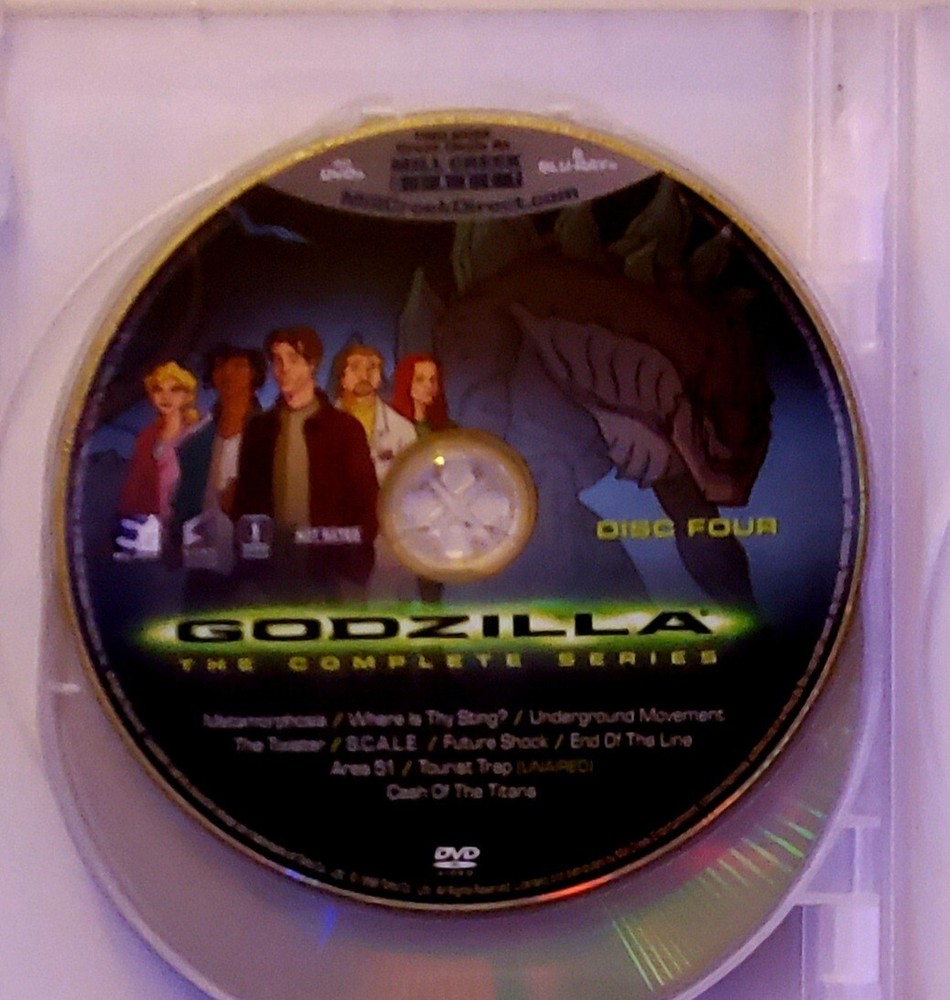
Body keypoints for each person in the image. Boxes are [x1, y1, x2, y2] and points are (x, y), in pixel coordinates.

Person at [231, 327, 378, 595]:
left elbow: (366, 503)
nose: (283, 368)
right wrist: (249, 568)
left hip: (332, 573)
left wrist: (351, 569)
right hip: (270, 572)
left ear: (312, 364)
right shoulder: (259, 429)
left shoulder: (344, 429)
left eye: (293, 359)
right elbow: (246, 504)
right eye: (277, 360)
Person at [173, 345, 266, 580]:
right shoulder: (196, 441)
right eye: (220, 366)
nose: (228, 373)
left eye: (239, 366)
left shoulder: (271, 435)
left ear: (254, 375)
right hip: (200, 567)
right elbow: (183, 502)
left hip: (254, 569)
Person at [118, 361, 201, 525]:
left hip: (186, 520)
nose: (166, 397)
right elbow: (134, 485)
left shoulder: (196, 433)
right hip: (149, 522)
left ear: (187, 396)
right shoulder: (146, 438)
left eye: (174, 390)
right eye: (158, 390)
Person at [332, 343, 417, 483]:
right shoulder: (322, 427)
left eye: (372, 367)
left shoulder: (402, 429)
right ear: (342, 377)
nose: (364, 375)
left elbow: (410, 482)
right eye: (355, 367)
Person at [391, 353, 455, 434]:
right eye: (420, 380)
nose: (429, 385)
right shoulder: (393, 426)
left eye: (433, 379)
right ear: (406, 383)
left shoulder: (448, 427)